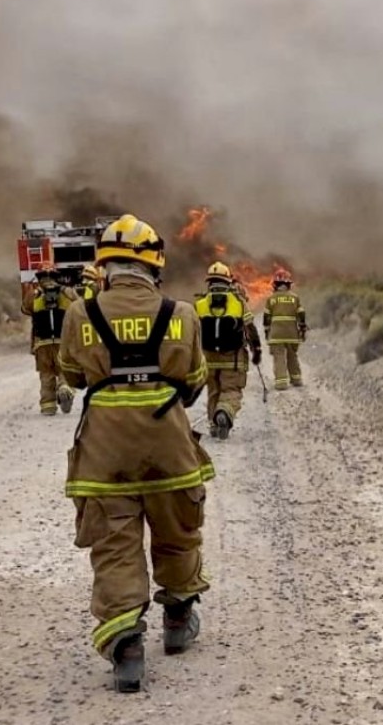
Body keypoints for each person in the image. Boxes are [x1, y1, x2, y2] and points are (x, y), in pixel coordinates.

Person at [57, 214, 212, 693]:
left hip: (105, 456)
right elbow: (194, 380)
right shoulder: (182, 313)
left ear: (104, 266)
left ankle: (126, 646)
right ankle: (178, 619)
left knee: (115, 545)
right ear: (154, 265)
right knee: (178, 534)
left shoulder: (80, 314)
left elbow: (72, 376)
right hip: (169, 449)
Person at [194, 262, 262, 440]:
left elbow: (192, 332)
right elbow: (250, 328)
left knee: (213, 391)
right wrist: (257, 349)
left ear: (209, 282)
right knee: (231, 390)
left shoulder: (199, 304)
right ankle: (224, 413)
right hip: (232, 359)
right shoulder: (238, 303)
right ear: (228, 282)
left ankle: (213, 425)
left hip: (208, 358)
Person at [20, 268, 78, 415]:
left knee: (46, 375)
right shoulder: (65, 293)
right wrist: (65, 289)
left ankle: (48, 407)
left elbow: (25, 309)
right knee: (65, 369)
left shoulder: (36, 295)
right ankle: (65, 388)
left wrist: (34, 292)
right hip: (63, 342)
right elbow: (79, 304)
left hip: (42, 344)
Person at [263, 269, 306, 389]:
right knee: (292, 356)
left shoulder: (271, 299)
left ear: (275, 284)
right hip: (292, 333)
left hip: (276, 334)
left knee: (279, 356)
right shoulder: (295, 298)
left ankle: (281, 382)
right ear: (288, 284)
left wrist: (267, 332)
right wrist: (302, 329)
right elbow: (301, 315)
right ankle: (296, 379)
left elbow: (266, 318)